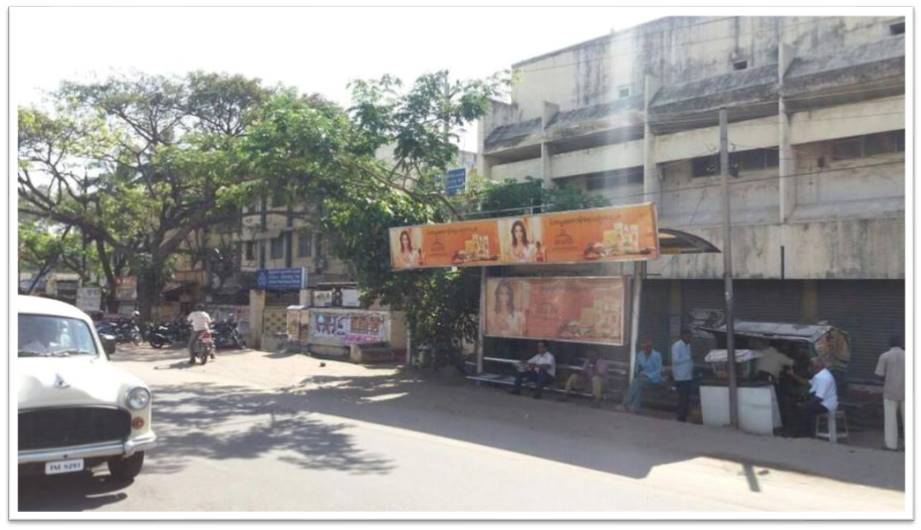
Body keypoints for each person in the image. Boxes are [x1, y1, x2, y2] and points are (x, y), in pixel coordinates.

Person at [790, 357, 838, 437]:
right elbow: (807, 382)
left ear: (815, 367)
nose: (808, 369)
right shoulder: (819, 375)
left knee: (804, 408)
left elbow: (819, 398)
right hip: (822, 402)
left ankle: (805, 434)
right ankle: (803, 433)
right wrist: (793, 375)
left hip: (827, 405)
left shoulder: (823, 378)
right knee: (801, 407)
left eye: (810, 366)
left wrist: (805, 404)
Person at [875, 335, 905, 451]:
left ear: (890, 344)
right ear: (902, 343)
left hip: (890, 392)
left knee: (890, 420)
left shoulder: (885, 356)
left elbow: (880, 375)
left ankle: (891, 445)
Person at [621, 340, 663, 414]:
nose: (645, 349)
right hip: (642, 378)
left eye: (647, 347)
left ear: (651, 347)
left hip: (654, 379)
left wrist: (647, 375)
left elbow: (659, 370)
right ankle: (635, 408)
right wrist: (638, 371)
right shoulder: (640, 354)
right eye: (644, 347)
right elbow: (637, 368)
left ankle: (625, 403)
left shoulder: (657, 355)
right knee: (639, 385)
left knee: (637, 381)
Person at [669, 330, 694, 422]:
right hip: (680, 376)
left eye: (690, 336)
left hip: (688, 375)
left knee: (686, 397)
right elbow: (675, 360)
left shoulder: (688, 346)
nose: (689, 338)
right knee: (682, 397)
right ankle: (680, 417)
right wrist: (689, 358)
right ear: (683, 336)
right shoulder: (677, 346)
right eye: (688, 336)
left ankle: (684, 415)